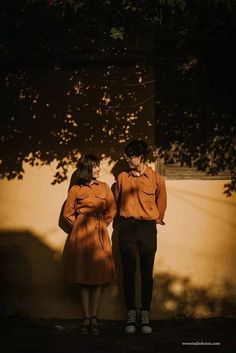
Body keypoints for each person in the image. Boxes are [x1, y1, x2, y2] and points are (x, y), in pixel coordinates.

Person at [113, 140, 167, 334]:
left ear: (142, 156)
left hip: (147, 229)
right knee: (128, 273)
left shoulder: (156, 178)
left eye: (132, 156)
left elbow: (161, 202)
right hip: (126, 227)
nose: (128, 159)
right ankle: (131, 313)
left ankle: (145, 314)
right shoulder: (121, 178)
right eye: (126, 156)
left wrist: (155, 218)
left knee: (146, 273)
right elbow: (116, 202)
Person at [63, 154, 116, 335]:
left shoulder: (105, 187)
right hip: (81, 236)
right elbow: (67, 214)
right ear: (86, 169)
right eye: (94, 166)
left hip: (100, 234)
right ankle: (86, 318)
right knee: (83, 278)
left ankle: (94, 317)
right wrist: (80, 226)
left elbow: (112, 210)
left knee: (99, 277)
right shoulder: (75, 190)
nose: (98, 169)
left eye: (98, 166)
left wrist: (101, 225)